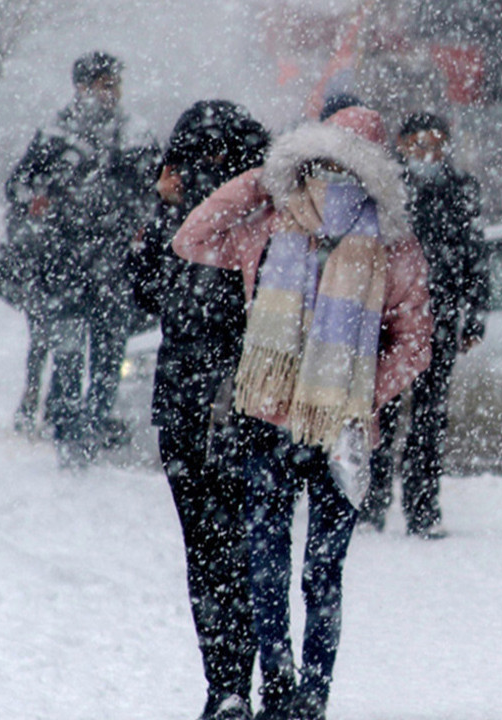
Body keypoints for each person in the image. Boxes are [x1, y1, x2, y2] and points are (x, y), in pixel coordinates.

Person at [173, 106, 433, 720]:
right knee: (320, 570)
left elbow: (193, 234)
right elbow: (415, 344)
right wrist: (359, 397)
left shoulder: (272, 223)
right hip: (330, 432)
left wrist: (263, 180)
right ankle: (309, 693)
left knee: (272, 560)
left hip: (279, 420)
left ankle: (284, 687)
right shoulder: (379, 241)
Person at [128, 100, 270, 720]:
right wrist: (160, 206)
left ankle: (238, 681)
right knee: (217, 551)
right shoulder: (182, 219)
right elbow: (139, 290)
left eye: (215, 155)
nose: (205, 169)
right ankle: (229, 684)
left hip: (238, 400)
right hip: (196, 404)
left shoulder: (259, 216)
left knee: (233, 551)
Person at [3, 51, 159, 464]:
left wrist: (144, 220)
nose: (112, 93)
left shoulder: (135, 134)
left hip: (113, 267)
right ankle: (70, 436)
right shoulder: (55, 135)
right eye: (105, 85)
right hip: (64, 266)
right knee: (69, 356)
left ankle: (90, 433)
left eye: (115, 84)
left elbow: (155, 192)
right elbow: (17, 186)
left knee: (108, 358)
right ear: (83, 88)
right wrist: (36, 198)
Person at [356, 112, 488, 537]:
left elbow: (475, 255)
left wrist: (475, 317)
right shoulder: (384, 189)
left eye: (437, 145)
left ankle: (423, 508)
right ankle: (371, 503)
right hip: (389, 320)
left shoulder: (461, 190)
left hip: (440, 319)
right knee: (382, 414)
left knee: (429, 418)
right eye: (420, 145)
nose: (429, 154)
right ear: (402, 144)